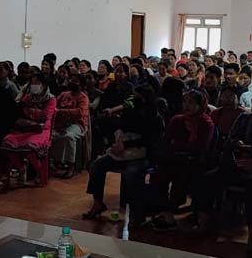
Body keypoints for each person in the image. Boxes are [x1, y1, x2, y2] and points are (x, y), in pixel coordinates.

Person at [189, 91, 252, 257]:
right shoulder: (244, 119)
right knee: (206, 180)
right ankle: (203, 222)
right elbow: (230, 140)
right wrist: (238, 146)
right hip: (237, 165)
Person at [83, 85, 163, 223]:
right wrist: (118, 143)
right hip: (122, 151)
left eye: (137, 97)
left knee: (132, 173)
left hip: (143, 154)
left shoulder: (155, 117)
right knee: (97, 165)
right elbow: (121, 128)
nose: (133, 99)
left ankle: (135, 212)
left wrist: (126, 145)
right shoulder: (130, 112)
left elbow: (150, 140)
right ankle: (98, 203)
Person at [150, 90, 215, 230]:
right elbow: (166, 141)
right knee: (157, 175)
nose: (186, 106)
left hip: (195, 161)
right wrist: (177, 147)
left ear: (199, 105)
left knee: (182, 174)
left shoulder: (205, 123)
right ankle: (166, 212)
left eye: (191, 103)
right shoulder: (177, 120)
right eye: (185, 102)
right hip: (175, 158)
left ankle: (171, 212)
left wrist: (180, 144)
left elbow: (200, 148)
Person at [0, 74, 57, 187]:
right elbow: (18, 111)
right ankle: (21, 168)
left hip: (42, 130)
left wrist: (36, 119)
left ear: (44, 85)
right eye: (32, 83)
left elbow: (48, 118)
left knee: (29, 147)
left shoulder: (51, 99)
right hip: (27, 128)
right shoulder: (27, 97)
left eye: (37, 83)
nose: (34, 86)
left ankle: (39, 173)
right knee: (6, 142)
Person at [50, 74, 90, 178]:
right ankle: (56, 162)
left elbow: (80, 112)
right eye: (71, 80)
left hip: (77, 124)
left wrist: (62, 111)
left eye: (75, 81)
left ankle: (71, 166)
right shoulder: (64, 94)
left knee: (68, 136)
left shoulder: (83, 97)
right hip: (61, 123)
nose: (72, 82)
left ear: (81, 85)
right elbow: (54, 106)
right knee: (51, 135)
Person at [91, 64, 135, 157]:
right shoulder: (112, 85)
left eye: (120, 72)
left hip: (122, 114)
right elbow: (105, 100)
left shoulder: (129, 86)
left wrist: (113, 110)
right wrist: (106, 110)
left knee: (113, 124)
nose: (118, 74)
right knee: (93, 124)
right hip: (108, 112)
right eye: (116, 71)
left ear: (126, 74)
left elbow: (128, 103)